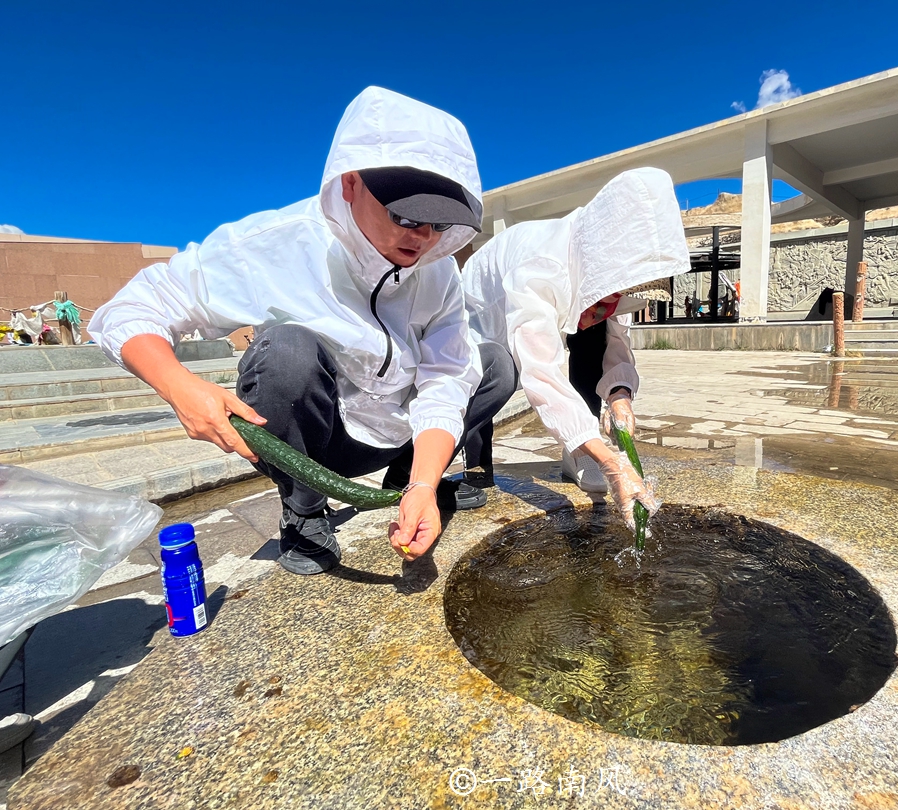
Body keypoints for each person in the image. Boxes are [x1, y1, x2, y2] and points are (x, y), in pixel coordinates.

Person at [89, 87, 503, 575]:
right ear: (350, 184)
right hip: (313, 441)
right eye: (407, 217)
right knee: (287, 351)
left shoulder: (438, 273)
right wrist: (180, 386)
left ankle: (406, 480)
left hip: (399, 428)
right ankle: (304, 508)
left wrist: (424, 485)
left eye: (439, 226)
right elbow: (133, 307)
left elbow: (446, 376)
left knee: (494, 361)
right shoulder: (274, 244)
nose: (422, 239)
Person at [460, 168, 691, 530]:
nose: (613, 303)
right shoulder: (540, 267)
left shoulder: (612, 278)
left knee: (592, 334)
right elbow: (542, 374)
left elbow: (616, 345)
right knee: (494, 371)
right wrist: (614, 464)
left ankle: (578, 455)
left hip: (552, 290)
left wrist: (620, 397)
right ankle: (474, 465)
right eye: (613, 293)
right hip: (486, 303)